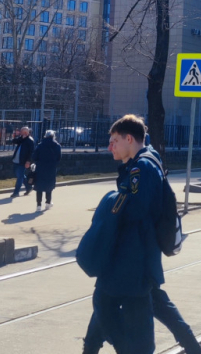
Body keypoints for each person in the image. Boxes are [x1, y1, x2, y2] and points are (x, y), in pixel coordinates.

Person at [84, 114, 164, 354]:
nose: (110, 147)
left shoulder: (141, 168)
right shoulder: (144, 162)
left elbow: (136, 210)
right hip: (135, 258)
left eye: (114, 141)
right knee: (120, 313)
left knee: (104, 304)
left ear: (129, 139)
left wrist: (111, 205)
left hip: (130, 257)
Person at [32, 129, 61, 209]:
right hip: (51, 168)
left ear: (45, 136)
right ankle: (48, 203)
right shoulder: (57, 146)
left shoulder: (40, 145)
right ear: (53, 136)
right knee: (49, 186)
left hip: (40, 168)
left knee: (39, 186)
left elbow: (34, 157)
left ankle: (38, 205)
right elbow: (59, 158)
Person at [9, 126, 35, 197]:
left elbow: (31, 152)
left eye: (24, 132)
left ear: (27, 132)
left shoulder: (30, 140)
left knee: (20, 177)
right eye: (22, 132)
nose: (23, 133)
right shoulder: (21, 139)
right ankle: (29, 187)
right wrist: (21, 138)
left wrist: (28, 161)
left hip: (23, 161)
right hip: (16, 160)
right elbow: (14, 141)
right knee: (19, 174)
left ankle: (16, 192)